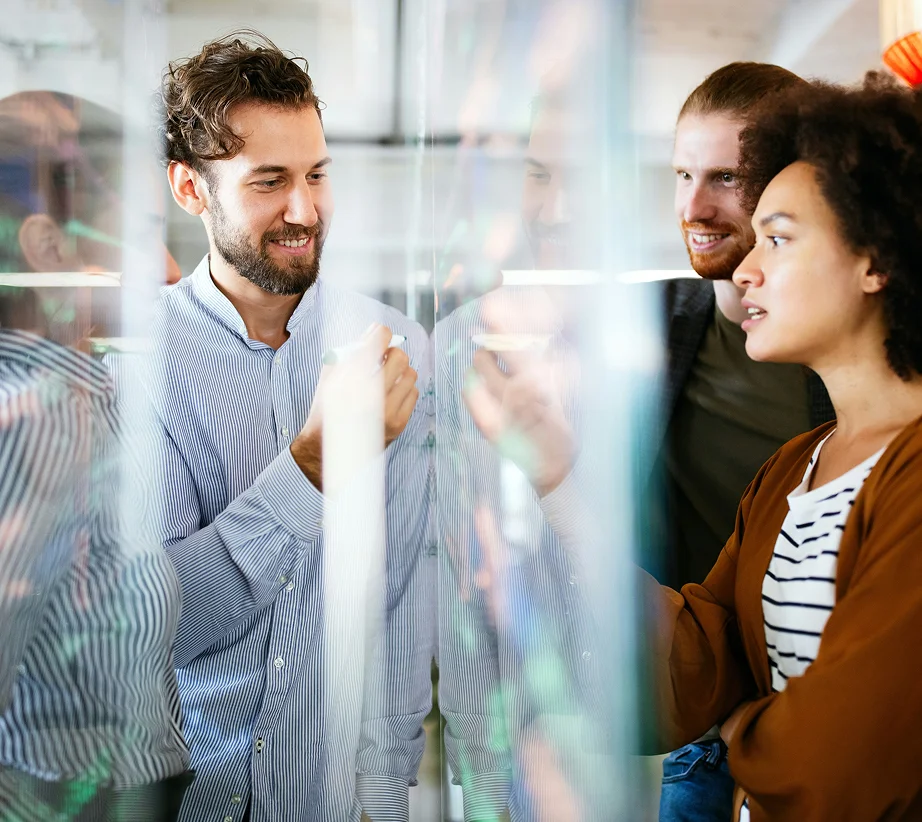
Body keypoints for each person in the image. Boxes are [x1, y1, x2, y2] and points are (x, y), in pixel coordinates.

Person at [148, 32, 432, 822]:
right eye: (269, 181)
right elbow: (151, 630)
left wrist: (384, 799)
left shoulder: (399, 350)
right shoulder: (133, 366)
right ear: (189, 188)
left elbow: (404, 601)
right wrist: (309, 469)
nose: (304, 210)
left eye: (316, 175)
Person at [0, 91, 191, 821]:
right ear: (50, 249)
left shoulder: (87, 397)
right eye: (143, 234)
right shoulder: (41, 418)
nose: (172, 268)